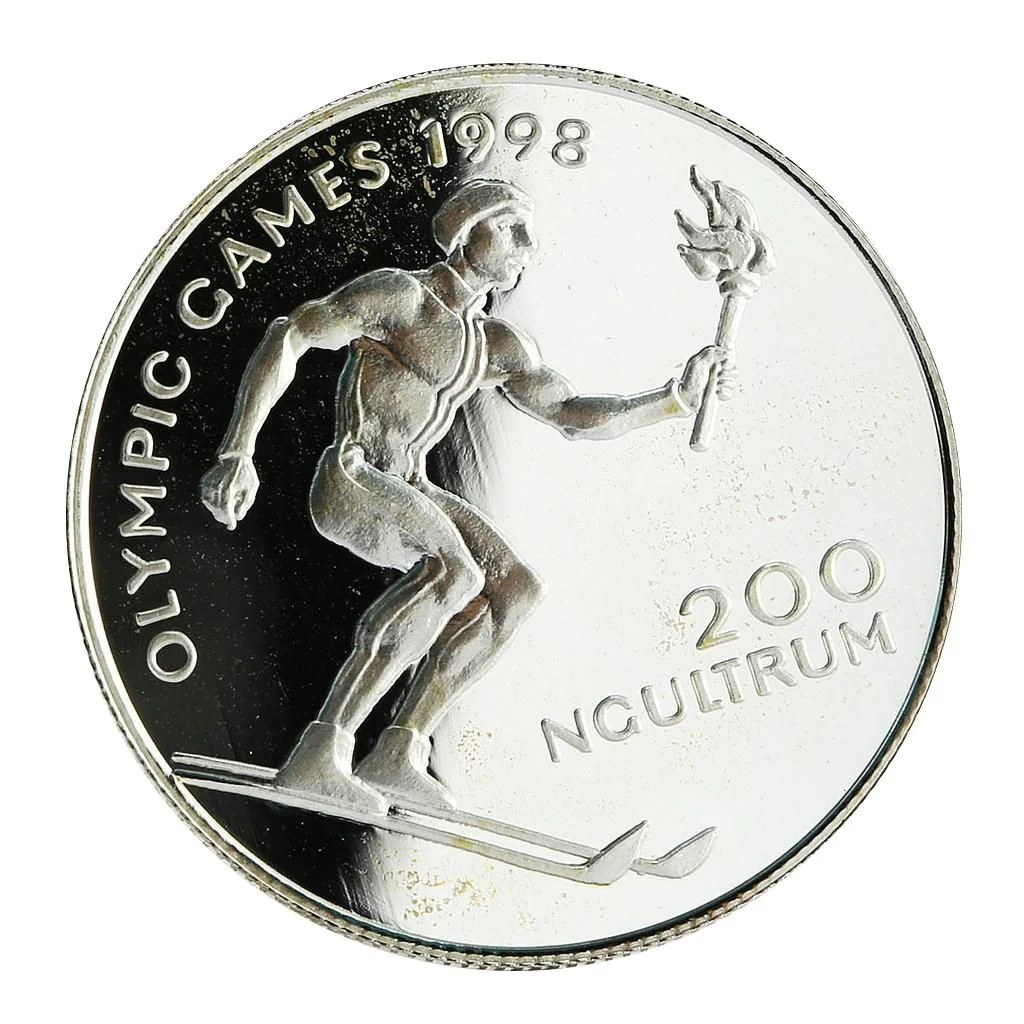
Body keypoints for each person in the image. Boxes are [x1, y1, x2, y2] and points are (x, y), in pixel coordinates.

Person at [201, 178, 733, 813]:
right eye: (510, 227)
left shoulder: (495, 344)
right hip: (354, 477)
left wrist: (672, 399)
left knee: (516, 589)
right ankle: (320, 752)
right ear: (465, 232)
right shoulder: (401, 297)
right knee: (454, 571)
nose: (528, 244)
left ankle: (399, 750)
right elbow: (291, 334)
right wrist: (237, 452)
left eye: (529, 232)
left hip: (412, 485)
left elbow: (569, 412)